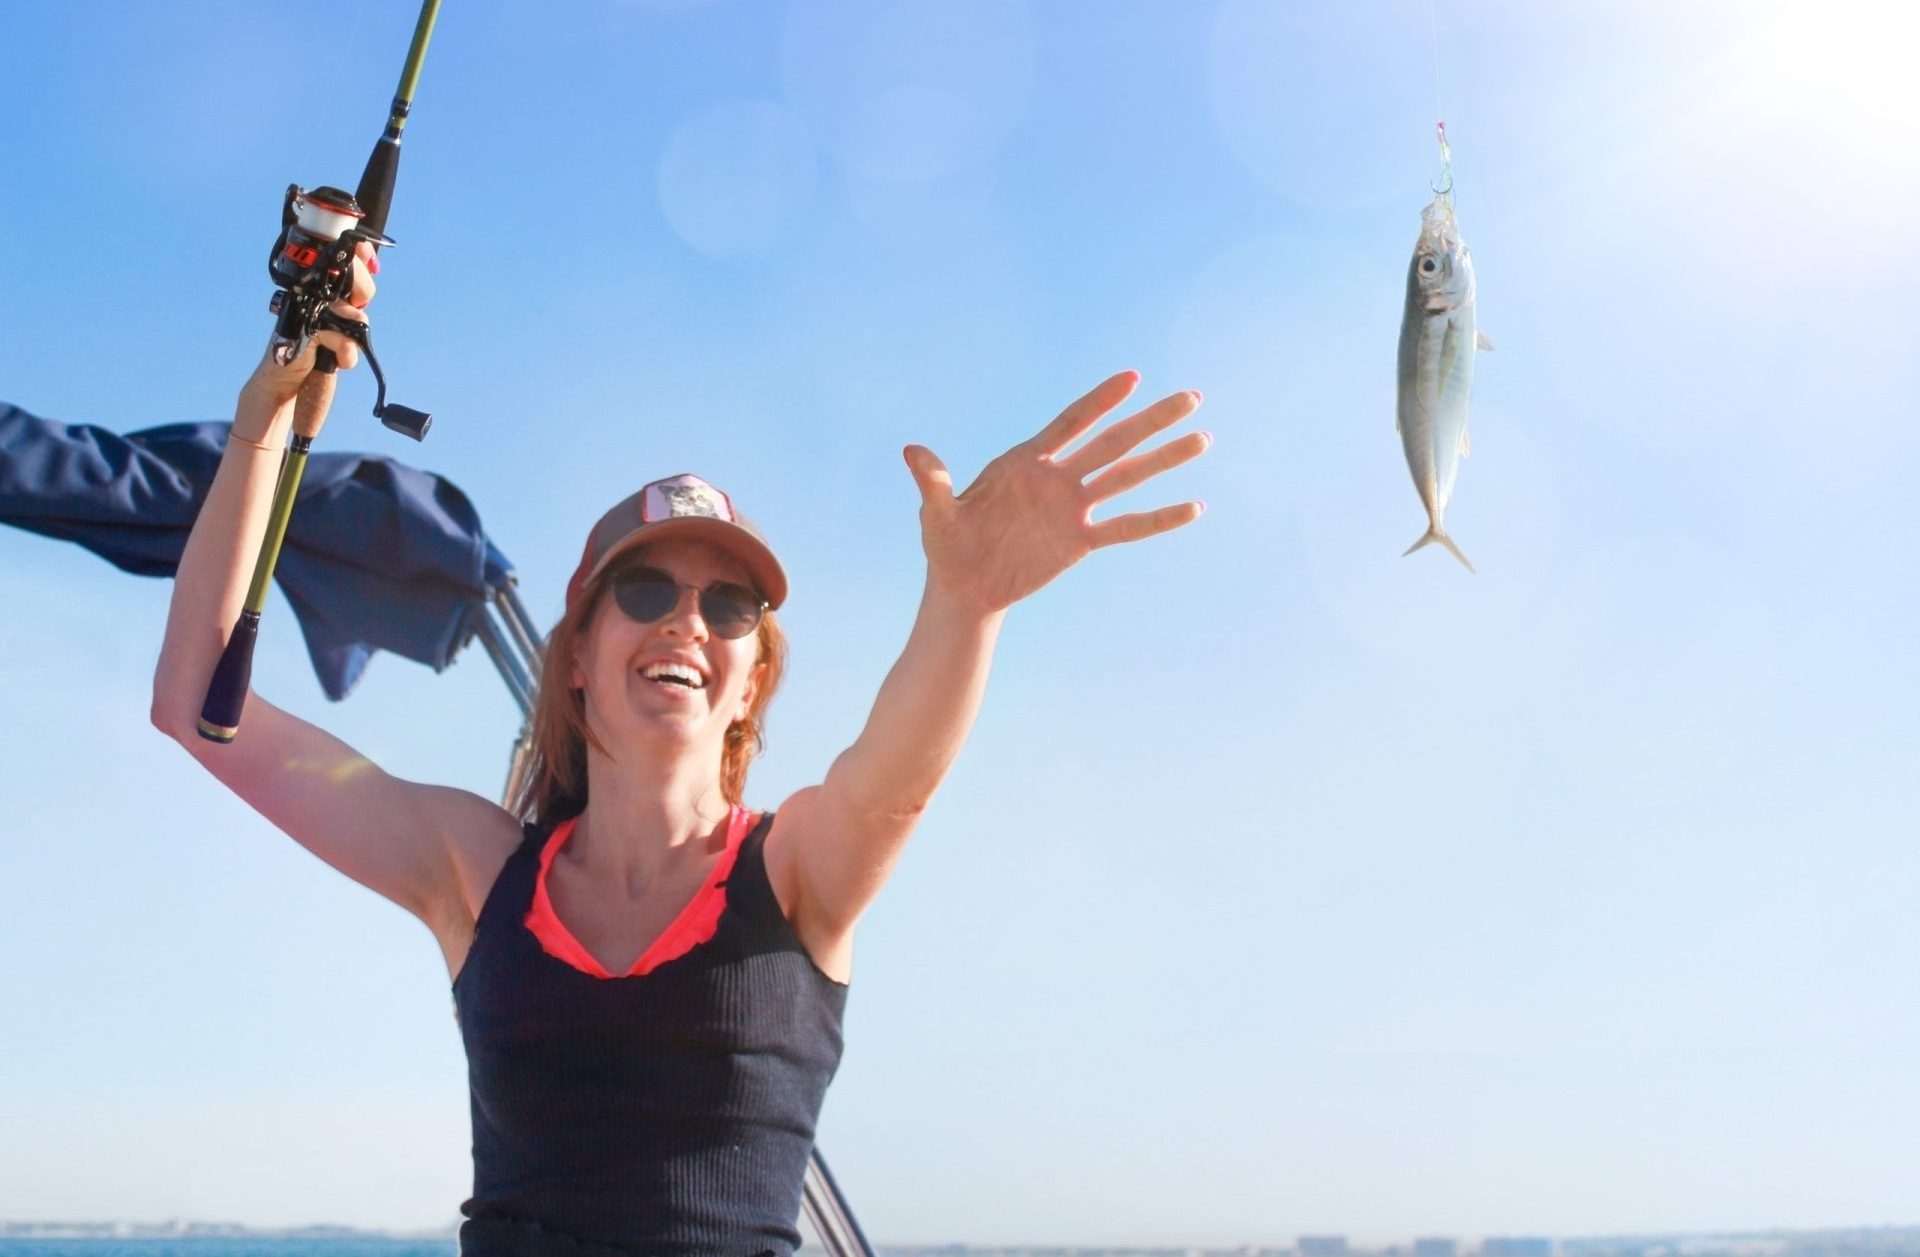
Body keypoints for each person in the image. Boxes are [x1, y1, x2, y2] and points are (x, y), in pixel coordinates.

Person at [150, 251, 1210, 1255]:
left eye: (731, 605)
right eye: (647, 592)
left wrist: (967, 606)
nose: (687, 624)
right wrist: (264, 424)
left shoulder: (798, 870)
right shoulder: (473, 870)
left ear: (752, 677)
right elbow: (200, 701)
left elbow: (895, 786)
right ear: (576, 656)